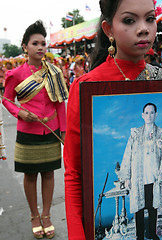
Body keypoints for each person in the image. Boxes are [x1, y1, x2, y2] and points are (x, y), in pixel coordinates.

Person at [63, 0, 162, 239]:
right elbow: (74, 175)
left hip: (156, 174)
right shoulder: (86, 88)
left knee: (154, 205)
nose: (143, 28)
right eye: (129, 20)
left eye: (150, 19)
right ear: (108, 29)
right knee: (140, 205)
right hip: (139, 175)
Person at [2, 20, 68, 239]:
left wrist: (64, 132)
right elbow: (7, 99)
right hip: (27, 132)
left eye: (43, 43)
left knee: (49, 174)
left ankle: (47, 215)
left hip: (51, 130)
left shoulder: (55, 73)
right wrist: (20, 112)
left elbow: (60, 104)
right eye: (35, 43)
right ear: (25, 47)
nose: (40, 48)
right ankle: (34, 215)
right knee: (30, 176)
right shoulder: (16, 75)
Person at [118, 103, 162, 239]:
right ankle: (139, 235)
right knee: (139, 208)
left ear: (156, 115)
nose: (149, 115)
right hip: (139, 175)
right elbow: (128, 154)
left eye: (152, 112)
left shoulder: (161, 133)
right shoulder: (135, 133)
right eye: (146, 112)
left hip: (153, 176)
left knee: (153, 207)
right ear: (142, 115)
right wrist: (127, 176)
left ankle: (152, 233)